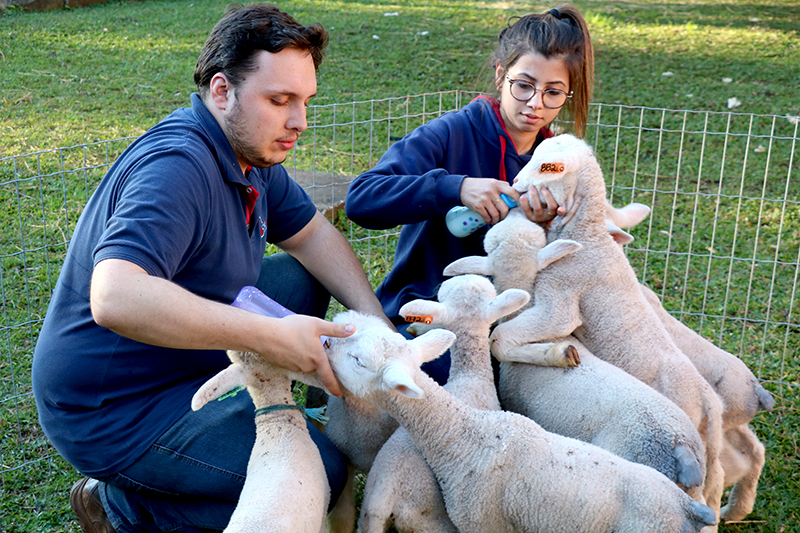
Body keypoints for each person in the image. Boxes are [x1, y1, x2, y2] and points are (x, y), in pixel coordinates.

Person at [32, 4, 390, 533]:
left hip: (184, 356)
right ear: (221, 91)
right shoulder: (177, 167)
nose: (299, 122)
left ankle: (263, 400)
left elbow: (313, 234)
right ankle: (120, 507)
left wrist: (375, 321)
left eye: (305, 101)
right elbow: (115, 297)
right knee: (322, 472)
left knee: (302, 277)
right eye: (280, 100)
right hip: (118, 408)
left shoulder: (251, 151)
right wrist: (270, 335)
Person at [345, 4, 594, 384]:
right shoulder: (450, 133)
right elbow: (361, 199)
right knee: (449, 389)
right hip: (424, 312)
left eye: (553, 92)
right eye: (524, 84)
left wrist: (544, 227)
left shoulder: (556, 163)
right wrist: (454, 187)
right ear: (500, 74)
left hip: (510, 323)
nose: (535, 103)